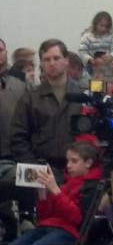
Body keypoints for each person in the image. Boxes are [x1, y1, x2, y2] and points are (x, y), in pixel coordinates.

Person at [10, 39, 83, 180]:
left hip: (75, 173)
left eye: (56, 58)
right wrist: (33, 170)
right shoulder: (29, 99)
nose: (52, 63)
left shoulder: (81, 97)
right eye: (47, 59)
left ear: (66, 60)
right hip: (38, 170)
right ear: (41, 63)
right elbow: (18, 138)